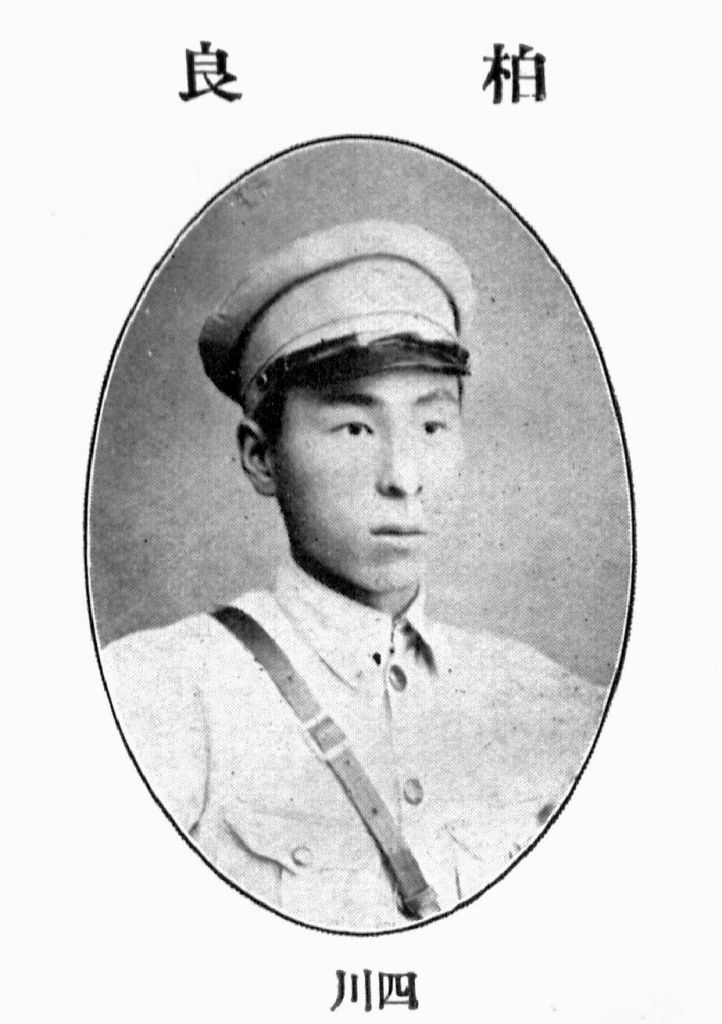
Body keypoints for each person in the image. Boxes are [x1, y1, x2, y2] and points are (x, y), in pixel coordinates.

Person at [102, 219, 605, 933]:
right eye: (355, 429)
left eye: (432, 427)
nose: (404, 478)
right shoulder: (155, 699)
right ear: (261, 456)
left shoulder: (554, 705)